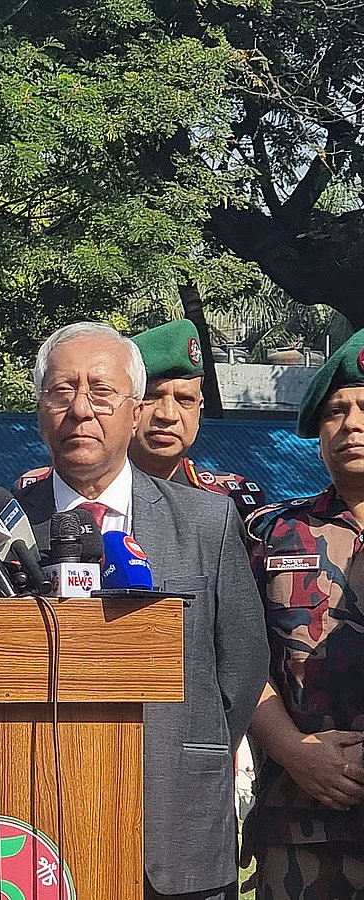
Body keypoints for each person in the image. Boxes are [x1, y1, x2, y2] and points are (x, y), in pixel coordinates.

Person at [12, 322, 268, 900]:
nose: (80, 410)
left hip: (176, 828)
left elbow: (242, 666)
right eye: (61, 392)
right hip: (33, 824)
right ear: (39, 410)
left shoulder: (207, 523)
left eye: (101, 393)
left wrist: (191, 746)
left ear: (132, 411)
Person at [243, 330, 364, 898]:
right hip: (302, 829)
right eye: (336, 411)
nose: (352, 424)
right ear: (317, 432)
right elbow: (238, 659)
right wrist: (295, 751)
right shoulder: (271, 534)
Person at [18, 319, 266, 517]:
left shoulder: (224, 505)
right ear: (134, 408)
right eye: (153, 397)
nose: (168, 415)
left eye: (185, 400)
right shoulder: (26, 502)